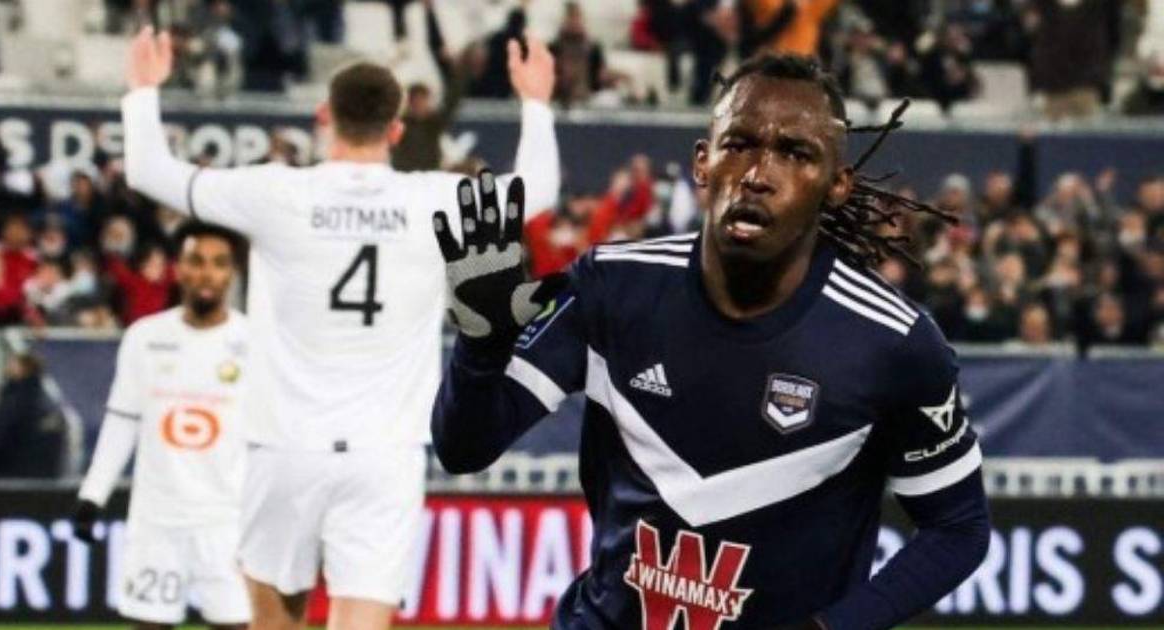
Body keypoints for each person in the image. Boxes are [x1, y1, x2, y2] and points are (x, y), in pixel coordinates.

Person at [431, 55, 990, 629]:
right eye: (739, 144)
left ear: (836, 185)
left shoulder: (894, 342)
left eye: (795, 153)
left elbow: (958, 528)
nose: (758, 174)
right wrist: (480, 348)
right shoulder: (613, 285)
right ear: (703, 161)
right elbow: (463, 449)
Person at [118, 25, 559, 630]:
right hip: (385, 453)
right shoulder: (433, 201)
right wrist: (535, 101)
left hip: (283, 446)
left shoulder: (276, 192)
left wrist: (143, 89)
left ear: (324, 116)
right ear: (396, 130)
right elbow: (540, 188)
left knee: (273, 623)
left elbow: (148, 169)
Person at [71, 222, 250, 630]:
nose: (206, 273)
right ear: (178, 268)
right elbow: (122, 420)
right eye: (196, 261)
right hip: (157, 518)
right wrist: (92, 495)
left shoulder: (254, 341)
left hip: (227, 520)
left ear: (232, 273)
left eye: (219, 263)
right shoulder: (145, 337)